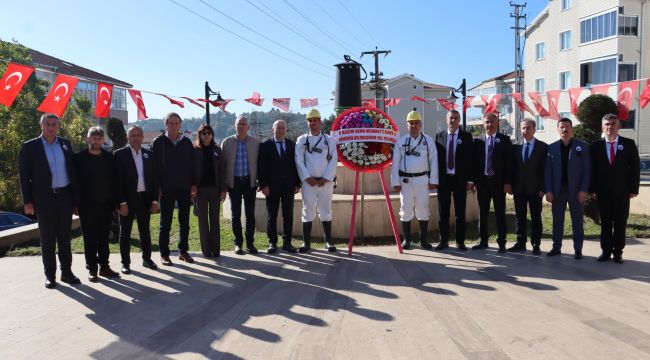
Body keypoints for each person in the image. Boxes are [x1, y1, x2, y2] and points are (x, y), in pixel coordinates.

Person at [19, 113, 80, 288]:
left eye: (54, 124)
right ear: (42, 126)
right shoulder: (30, 146)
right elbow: (24, 176)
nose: (51, 127)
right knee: (47, 238)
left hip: (65, 197)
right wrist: (27, 201)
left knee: (64, 237)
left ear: (58, 126)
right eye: (48, 124)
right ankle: (50, 275)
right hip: (44, 200)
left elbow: (72, 173)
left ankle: (66, 273)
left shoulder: (65, 144)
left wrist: (75, 200)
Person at [590, 114, 640, 264]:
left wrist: (634, 189)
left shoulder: (629, 144)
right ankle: (605, 252)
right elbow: (592, 169)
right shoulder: (595, 146)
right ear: (602, 127)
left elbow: (635, 168)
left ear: (618, 126)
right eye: (607, 124)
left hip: (622, 192)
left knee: (620, 223)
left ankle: (618, 252)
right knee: (605, 223)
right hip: (603, 192)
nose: (610, 127)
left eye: (613, 124)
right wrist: (592, 189)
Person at [74, 126, 119, 282]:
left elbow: (114, 182)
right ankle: (92, 269)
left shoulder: (109, 158)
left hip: (106, 205)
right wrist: (75, 203)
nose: (96, 140)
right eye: (93, 137)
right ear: (87, 139)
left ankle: (104, 267)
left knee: (104, 239)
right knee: (90, 239)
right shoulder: (78, 158)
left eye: (99, 138)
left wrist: (115, 202)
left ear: (103, 140)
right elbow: (75, 183)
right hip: (86, 206)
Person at [391, 109, 439, 250]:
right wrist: (395, 182)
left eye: (416, 123)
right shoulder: (401, 142)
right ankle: (407, 240)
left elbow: (434, 161)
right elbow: (395, 163)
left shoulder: (428, 141)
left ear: (420, 124)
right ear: (407, 125)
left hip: (423, 180)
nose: (413, 125)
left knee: (423, 209)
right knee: (405, 209)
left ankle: (423, 240)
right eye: (411, 123)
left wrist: (433, 180)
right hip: (405, 181)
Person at [152, 112, 196, 265]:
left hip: (184, 188)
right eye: (171, 123)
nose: (174, 126)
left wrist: (193, 184)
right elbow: (154, 168)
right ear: (166, 125)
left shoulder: (186, 143)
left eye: (176, 123)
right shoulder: (158, 143)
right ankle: (164, 254)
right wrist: (157, 186)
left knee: (185, 222)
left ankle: (183, 251)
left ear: (180, 125)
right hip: (166, 189)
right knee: (166, 223)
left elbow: (192, 166)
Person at [115, 125, 159, 274]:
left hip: (145, 199)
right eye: (132, 135)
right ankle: (125, 263)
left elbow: (153, 180)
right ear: (127, 137)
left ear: (142, 137)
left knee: (145, 231)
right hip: (127, 201)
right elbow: (117, 181)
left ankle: (147, 259)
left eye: (138, 134)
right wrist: (121, 202)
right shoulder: (119, 155)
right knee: (125, 233)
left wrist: (154, 201)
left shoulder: (149, 154)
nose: (135, 137)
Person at [545, 118, 591, 259]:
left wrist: (584, 190)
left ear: (572, 129)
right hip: (558, 191)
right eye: (562, 127)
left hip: (576, 191)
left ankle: (578, 249)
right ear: (558, 129)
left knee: (577, 220)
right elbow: (548, 171)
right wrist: (548, 190)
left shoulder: (582, 146)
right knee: (557, 220)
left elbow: (587, 170)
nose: (564, 130)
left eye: (567, 127)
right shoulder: (551, 148)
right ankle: (556, 247)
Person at [295, 109, 338, 252]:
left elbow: (334, 160)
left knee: (326, 210)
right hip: (309, 183)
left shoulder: (329, 140)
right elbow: (299, 160)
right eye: (310, 120)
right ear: (307, 122)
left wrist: (326, 178)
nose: (312, 123)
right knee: (308, 211)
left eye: (315, 120)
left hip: (326, 182)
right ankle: (306, 243)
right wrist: (307, 177)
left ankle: (328, 242)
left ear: (320, 121)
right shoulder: (301, 140)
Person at [258, 119, 301, 254]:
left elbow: (296, 165)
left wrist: (297, 183)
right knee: (272, 215)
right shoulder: (265, 146)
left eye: (283, 128)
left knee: (288, 215)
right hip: (271, 187)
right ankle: (272, 242)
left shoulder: (292, 145)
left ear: (286, 130)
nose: (281, 130)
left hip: (288, 186)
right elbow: (261, 167)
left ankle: (287, 242)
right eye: (278, 128)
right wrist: (263, 185)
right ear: (273, 130)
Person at [472, 112, 513, 252]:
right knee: (482, 213)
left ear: (497, 123)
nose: (489, 125)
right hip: (483, 183)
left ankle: (502, 243)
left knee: (500, 213)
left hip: (499, 184)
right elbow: (474, 163)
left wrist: (508, 182)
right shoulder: (477, 141)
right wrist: (473, 181)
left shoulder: (505, 140)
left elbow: (509, 164)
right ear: (483, 124)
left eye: (492, 122)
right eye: (487, 122)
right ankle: (483, 240)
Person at [435, 110, 473, 251]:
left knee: (460, 213)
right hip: (443, 180)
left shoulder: (467, 137)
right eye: (451, 118)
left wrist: (470, 180)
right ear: (447, 120)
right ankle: (443, 241)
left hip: (460, 180)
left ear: (459, 121)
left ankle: (460, 242)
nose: (453, 120)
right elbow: (436, 160)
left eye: (456, 118)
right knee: (443, 213)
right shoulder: (439, 136)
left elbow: (471, 160)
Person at [222, 116, 260, 255]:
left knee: (250, 214)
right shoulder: (227, 142)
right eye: (239, 124)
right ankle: (238, 243)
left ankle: (250, 243)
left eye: (244, 124)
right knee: (235, 214)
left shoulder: (255, 143)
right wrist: (224, 184)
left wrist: (260, 181)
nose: (242, 126)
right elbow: (223, 165)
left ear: (248, 127)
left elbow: (260, 164)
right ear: (235, 126)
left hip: (250, 182)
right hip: (234, 183)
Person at [509, 119, 548, 255]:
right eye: (524, 128)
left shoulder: (543, 147)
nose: (526, 130)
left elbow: (545, 170)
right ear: (521, 129)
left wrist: (543, 188)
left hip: (536, 190)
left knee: (536, 217)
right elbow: (512, 168)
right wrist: (510, 185)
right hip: (519, 189)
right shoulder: (515, 147)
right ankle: (521, 242)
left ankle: (536, 244)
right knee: (520, 217)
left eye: (529, 128)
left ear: (534, 129)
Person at [192, 123, 227, 258]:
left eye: (209, 133)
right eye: (204, 133)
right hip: (200, 190)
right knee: (202, 221)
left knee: (214, 220)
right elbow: (191, 170)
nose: (206, 135)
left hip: (215, 189)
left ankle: (216, 250)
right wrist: (193, 185)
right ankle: (206, 251)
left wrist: (223, 189)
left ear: (212, 135)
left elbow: (222, 171)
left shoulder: (217, 150)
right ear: (200, 135)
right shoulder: (194, 150)